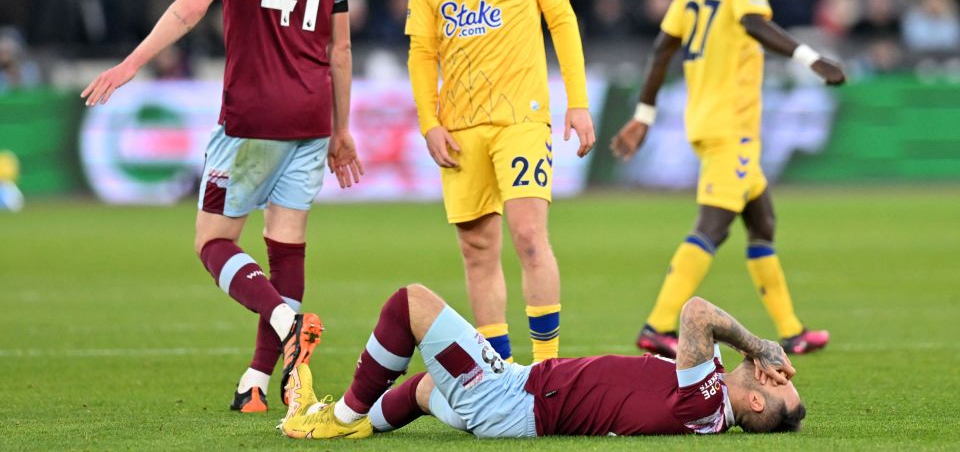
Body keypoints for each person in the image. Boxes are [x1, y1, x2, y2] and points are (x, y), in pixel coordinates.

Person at [81, 0, 363, 413]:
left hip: (252, 117)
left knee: (213, 242)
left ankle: (286, 320)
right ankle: (258, 384)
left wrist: (130, 63)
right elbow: (341, 52)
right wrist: (341, 130)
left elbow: (191, 8)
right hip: (311, 118)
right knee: (286, 250)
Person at [610, 0, 846, 358]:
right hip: (731, 125)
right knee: (713, 227)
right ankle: (657, 326)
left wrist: (643, 116)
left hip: (707, 119)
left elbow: (662, 48)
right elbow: (755, 23)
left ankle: (792, 331)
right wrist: (812, 58)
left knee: (762, 220)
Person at [405, 0, 596, 367]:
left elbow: (562, 19)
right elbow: (422, 52)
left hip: (521, 117)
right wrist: (429, 123)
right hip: (461, 127)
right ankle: (501, 373)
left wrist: (577, 103)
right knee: (477, 251)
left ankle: (547, 368)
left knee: (530, 237)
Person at [278, 284, 804, 439]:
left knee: (408, 304)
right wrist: (749, 355)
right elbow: (703, 336)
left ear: (755, 400)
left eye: (780, 387)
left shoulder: (705, 401)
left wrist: (759, 347)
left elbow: (695, 312)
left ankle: (338, 420)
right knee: (423, 389)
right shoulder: (706, 397)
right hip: (515, 396)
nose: (776, 374)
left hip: (512, 399)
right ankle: (361, 427)